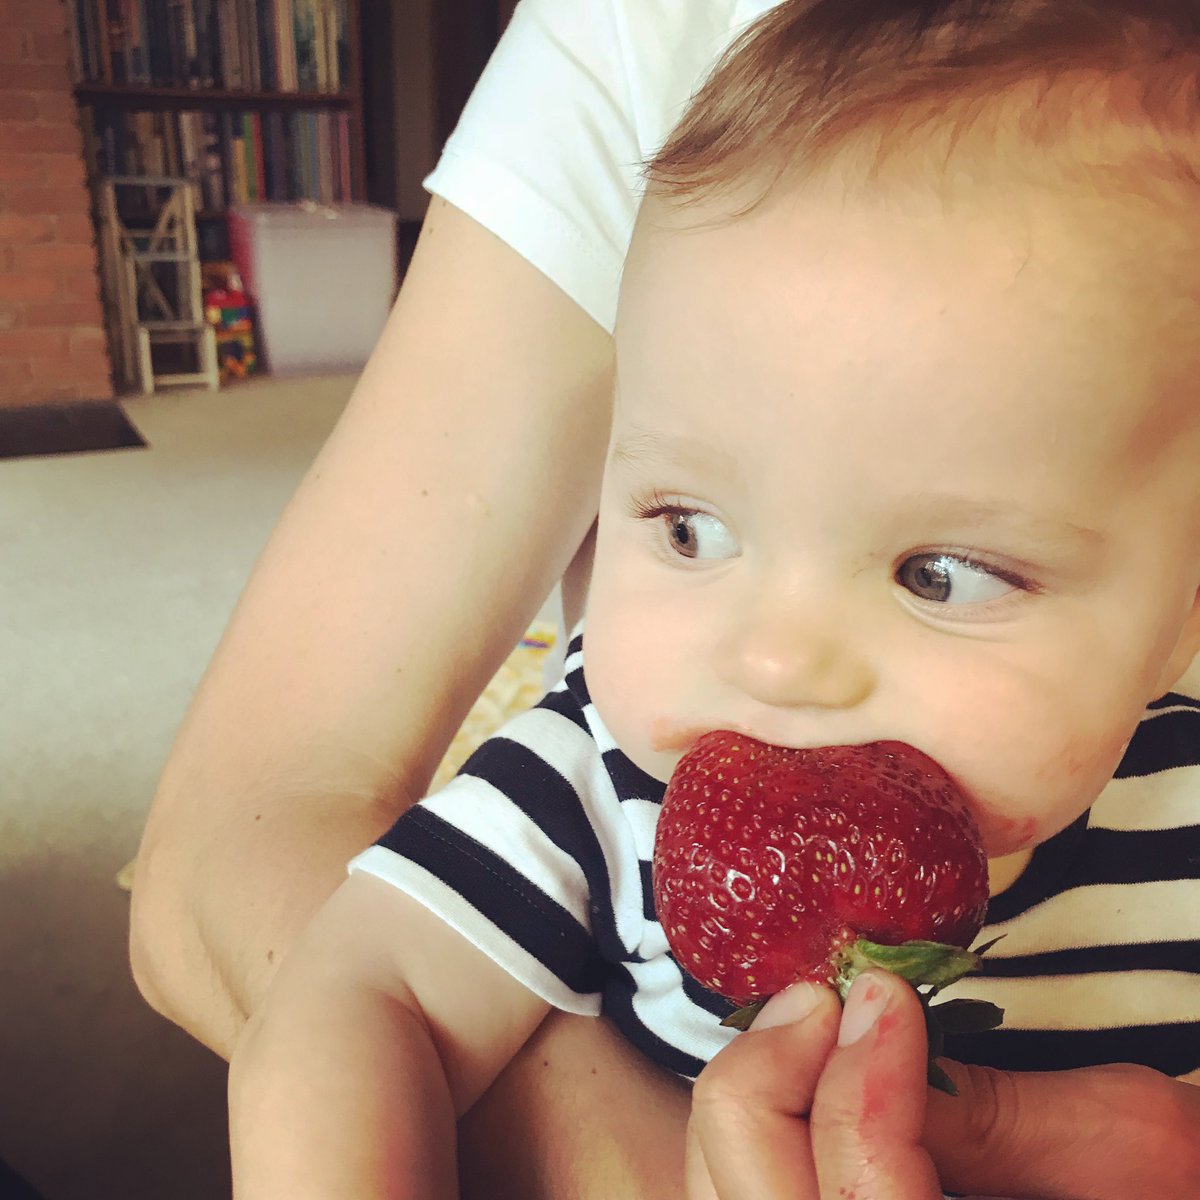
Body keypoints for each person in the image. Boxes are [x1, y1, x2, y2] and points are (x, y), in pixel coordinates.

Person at [221, 1, 1200, 1195]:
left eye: (939, 574)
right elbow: (358, 997)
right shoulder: (599, 786)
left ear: (1183, 616)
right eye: (691, 528)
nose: (775, 657)